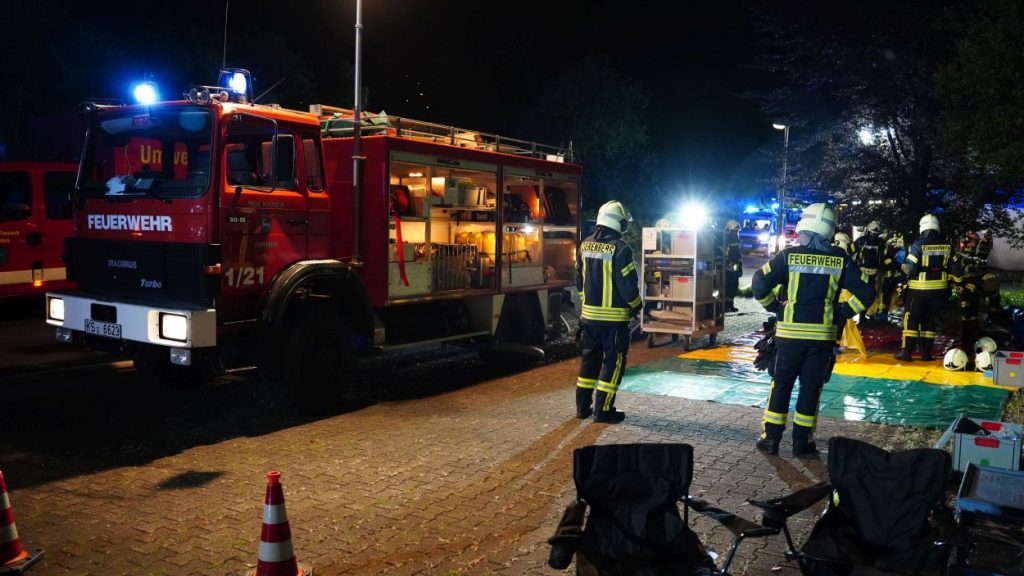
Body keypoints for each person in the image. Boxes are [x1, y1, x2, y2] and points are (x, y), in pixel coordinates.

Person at [752, 203, 873, 457]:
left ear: (804, 227)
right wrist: (842, 312)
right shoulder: (841, 260)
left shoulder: (788, 256)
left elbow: (759, 282)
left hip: (788, 337)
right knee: (810, 389)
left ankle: (770, 440)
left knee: (781, 385)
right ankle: (802, 444)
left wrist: (775, 308)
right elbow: (866, 292)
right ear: (830, 230)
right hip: (822, 339)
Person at [574, 200, 642, 424]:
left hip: (589, 319)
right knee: (613, 364)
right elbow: (628, 287)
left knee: (589, 361)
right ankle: (603, 411)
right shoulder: (621, 249)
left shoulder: (585, 244)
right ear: (618, 222)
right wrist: (637, 305)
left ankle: (582, 408)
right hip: (614, 322)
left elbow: (578, 280)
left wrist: (586, 304)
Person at [895, 214, 952, 362]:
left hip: (918, 290)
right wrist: (957, 284)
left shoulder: (917, 245)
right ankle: (926, 353)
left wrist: (904, 267)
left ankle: (907, 352)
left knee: (911, 318)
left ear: (922, 228)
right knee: (929, 319)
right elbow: (956, 269)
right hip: (939, 291)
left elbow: (912, 269)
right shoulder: (947, 245)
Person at [853, 221, 885, 318]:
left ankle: (863, 314)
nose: (873, 235)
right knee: (868, 294)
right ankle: (863, 314)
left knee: (865, 294)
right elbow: (883, 256)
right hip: (869, 272)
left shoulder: (861, 240)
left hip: (866, 271)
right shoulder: (880, 242)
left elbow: (851, 251)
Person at [723, 220, 743, 312]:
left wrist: (740, 267)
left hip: (735, 268)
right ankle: (725, 305)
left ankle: (731, 304)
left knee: (734, 286)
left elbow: (739, 255)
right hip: (727, 268)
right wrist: (728, 263)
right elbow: (725, 254)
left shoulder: (737, 241)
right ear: (729, 231)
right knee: (727, 286)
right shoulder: (725, 241)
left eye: (737, 231)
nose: (737, 233)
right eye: (735, 231)